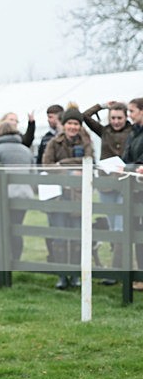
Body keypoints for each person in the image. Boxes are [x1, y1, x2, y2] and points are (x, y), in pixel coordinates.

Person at [42, 107, 94, 290]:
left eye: (76, 123)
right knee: (59, 237)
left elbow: (89, 162)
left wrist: (62, 164)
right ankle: (62, 275)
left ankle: (76, 274)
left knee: (78, 237)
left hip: (78, 197)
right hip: (57, 197)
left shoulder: (86, 141)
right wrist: (70, 171)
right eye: (70, 123)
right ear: (63, 125)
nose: (73, 127)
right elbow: (47, 164)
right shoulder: (53, 143)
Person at [83, 101, 132, 279]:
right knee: (112, 228)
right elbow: (85, 116)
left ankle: (117, 270)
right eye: (113, 118)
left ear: (126, 117)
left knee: (120, 228)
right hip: (106, 186)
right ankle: (115, 270)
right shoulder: (104, 131)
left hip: (125, 184)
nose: (116, 121)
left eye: (120, 118)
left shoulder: (132, 132)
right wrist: (102, 105)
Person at [0, 120, 35, 261]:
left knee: (0, 229)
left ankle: (2, 260)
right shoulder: (26, 150)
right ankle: (16, 260)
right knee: (16, 228)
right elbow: (33, 173)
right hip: (24, 195)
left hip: (1, 196)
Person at [121, 97, 143, 290]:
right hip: (134, 189)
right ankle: (140, 276)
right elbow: (128, 156)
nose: (129, 115)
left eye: (132, 111)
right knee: (137, 233)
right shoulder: (133, 133)